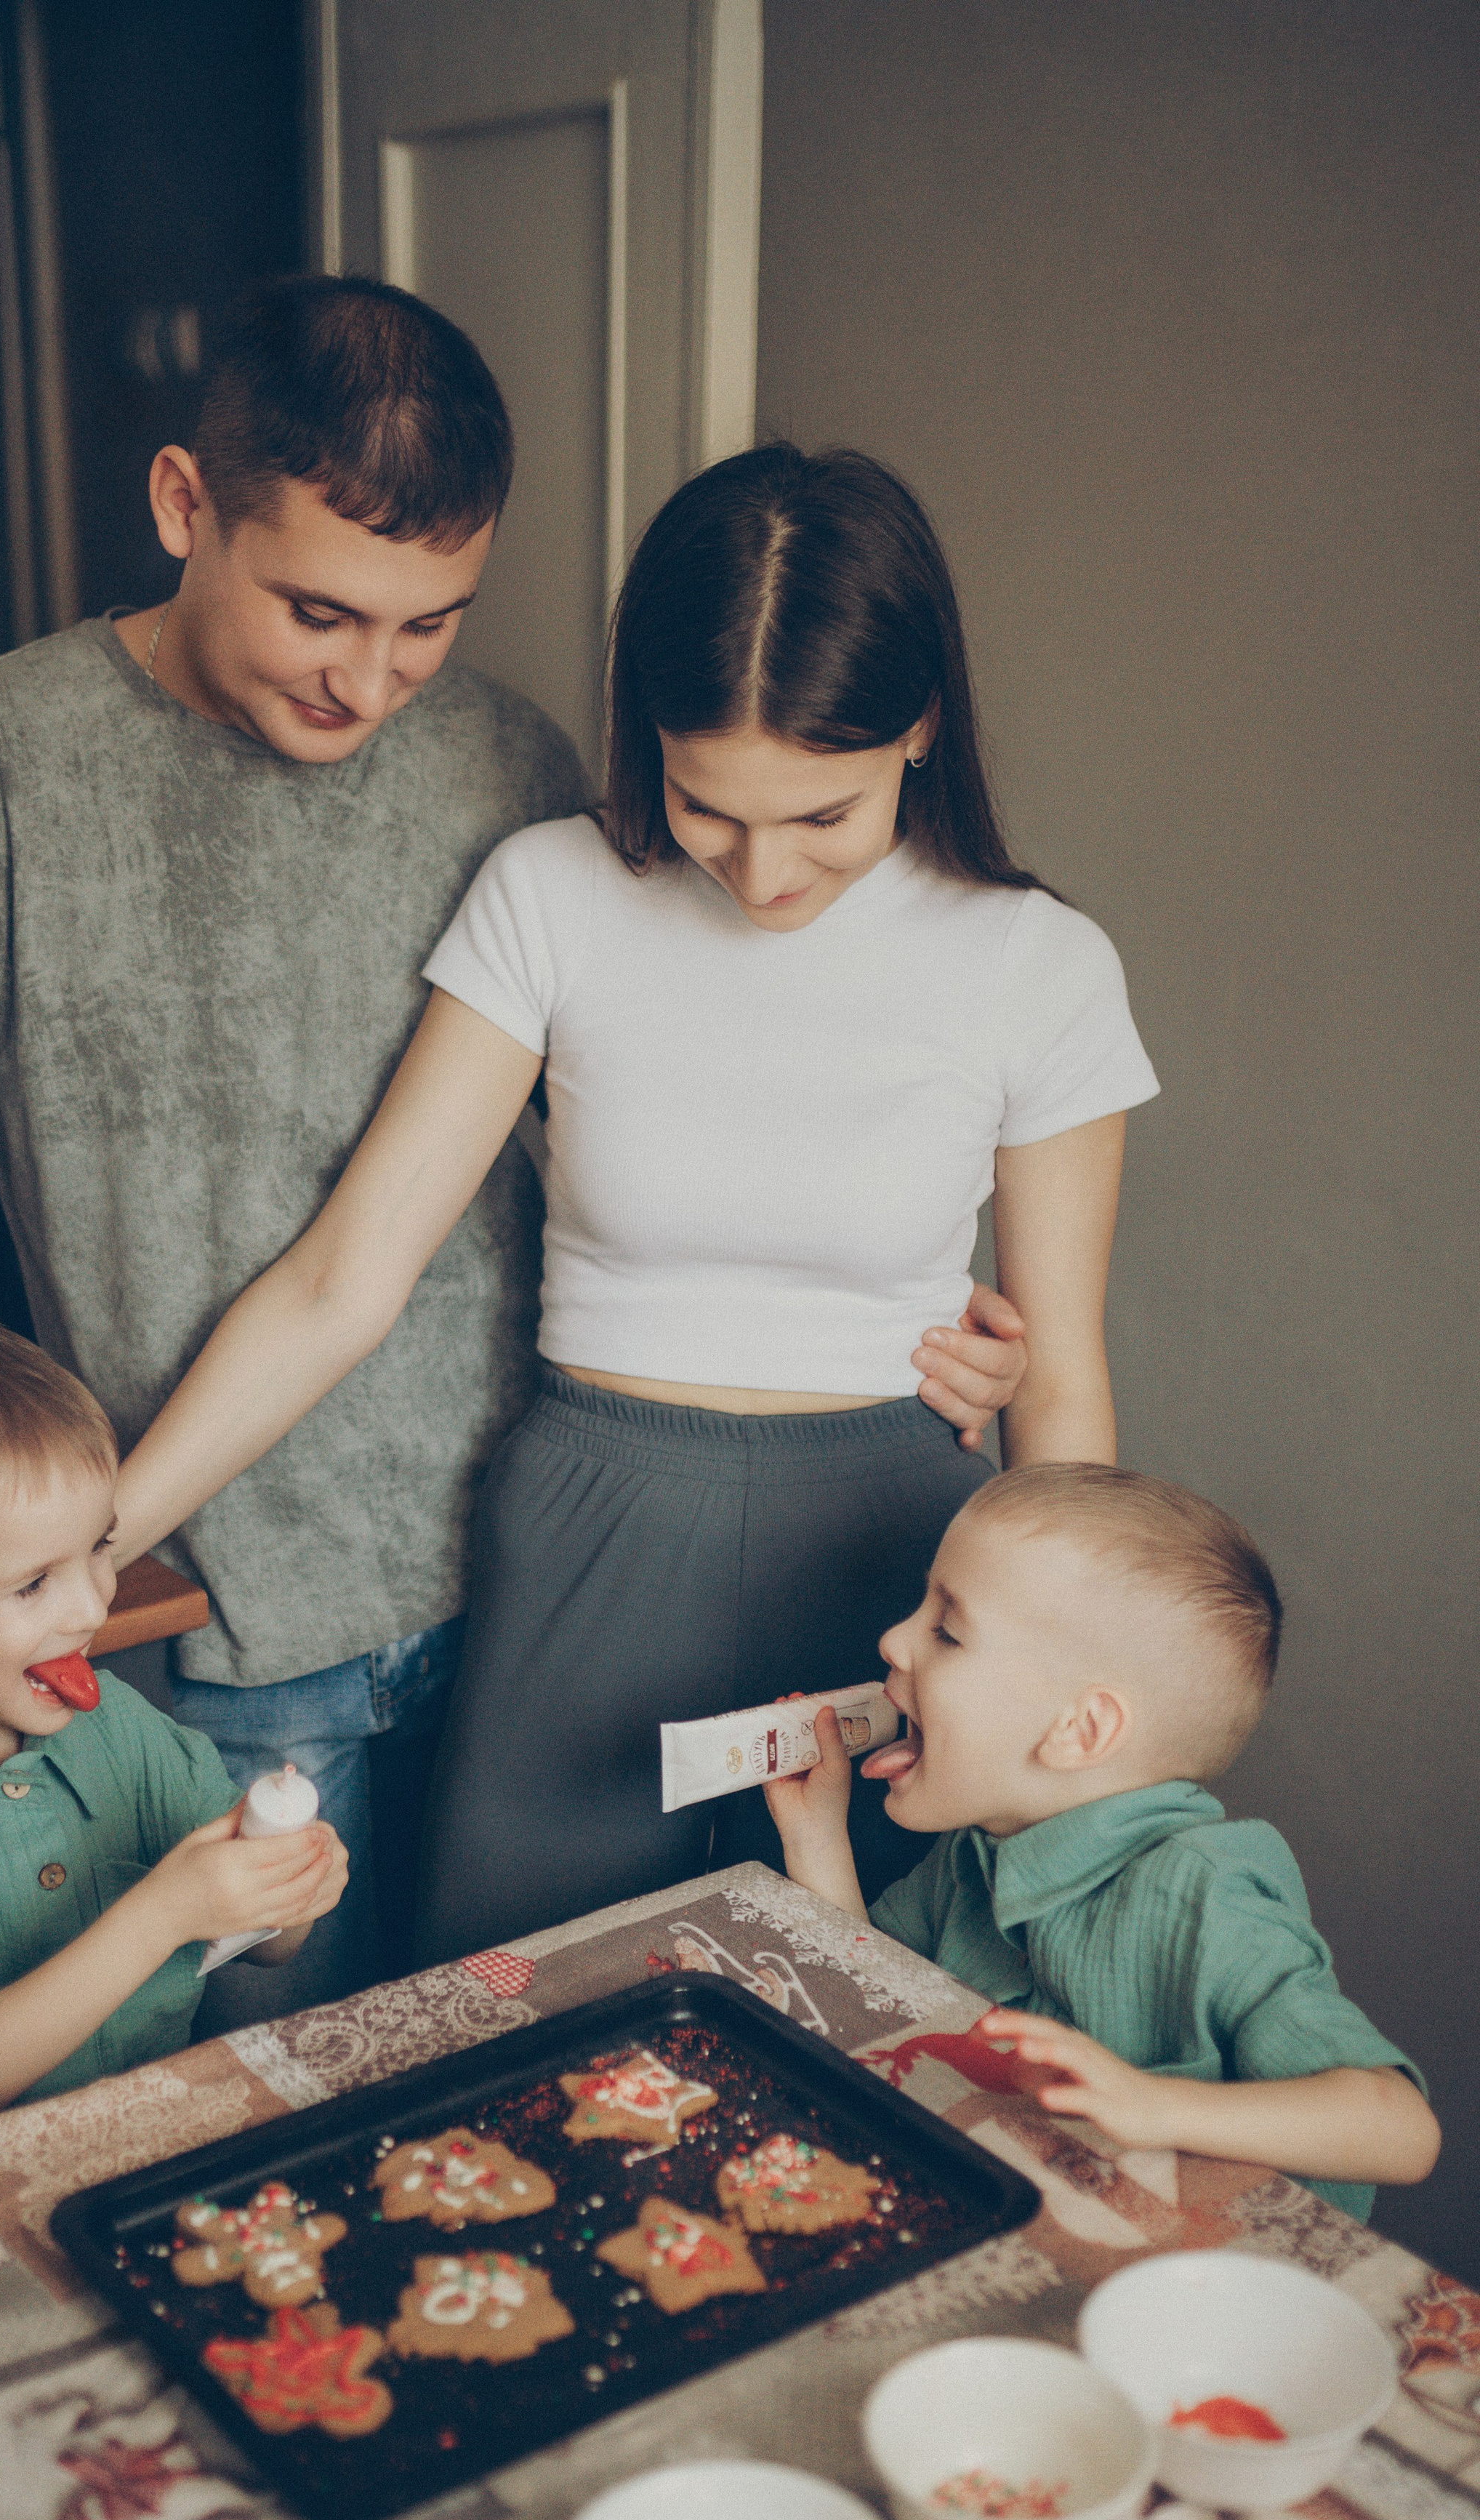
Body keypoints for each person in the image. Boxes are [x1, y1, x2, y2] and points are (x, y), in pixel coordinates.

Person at [0, 274, 600, 2021]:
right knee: (236, 2127)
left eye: (428, 622)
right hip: (191, 1610)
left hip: (524, 1570)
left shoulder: (512, 760)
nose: (370, 678)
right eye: (318, 607)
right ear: (181, 507)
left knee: (502, 2085)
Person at [110, 444, 1138, 1959]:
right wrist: (99, 1535)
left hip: (897, 1554)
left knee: (867, 2024)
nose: (761, 874)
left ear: (917, 725)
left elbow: (1059, 1386)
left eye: (821, 818)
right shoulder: (551, 892)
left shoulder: (1038, 964)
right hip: (592, 1520)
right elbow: (345, 1275)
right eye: (710, 807)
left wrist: (1083, 1732)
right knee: (521, 2009)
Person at [767, 1464, 1439, 2220]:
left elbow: (1400, 2128)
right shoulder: (977, 1850)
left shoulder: (1202, 1891)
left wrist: (1154, 2105)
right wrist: (816, 1832)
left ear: (1079, 1731)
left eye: (946, 1630)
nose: (893, 1639)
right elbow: (868, 2001)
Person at [0, 1300, 347, 2159]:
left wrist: (286, 1886)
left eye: (99, 1548)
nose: (91, 1606)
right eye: (33, 1582)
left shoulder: (119, 1727)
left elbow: (263, 1947)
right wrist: (164, 1912)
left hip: (146, 2149)